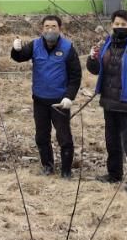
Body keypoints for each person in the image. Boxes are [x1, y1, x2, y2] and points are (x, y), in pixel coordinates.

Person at [87, 9, 127, 194]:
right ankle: (114, 174)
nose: (120, 27)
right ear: (112, 25)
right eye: (117, 24)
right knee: (111, 141)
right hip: (109, 102)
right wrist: (92, 58)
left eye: (124, 24)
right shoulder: (106, 44)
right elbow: (95, 70)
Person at [11, 15, 81, 178]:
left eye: (53, 26)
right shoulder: (35, 45)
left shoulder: (68, 48)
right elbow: (19, 57)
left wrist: (69, 96)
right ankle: (48, 166)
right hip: (40, 100)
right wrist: (16, 49)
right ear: (42, 29)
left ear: (60, 29)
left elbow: (75, 75)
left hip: (60, 102)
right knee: (42, 136)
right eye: (47, 27)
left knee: (64, 137)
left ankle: (66, 170)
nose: (50, 30)